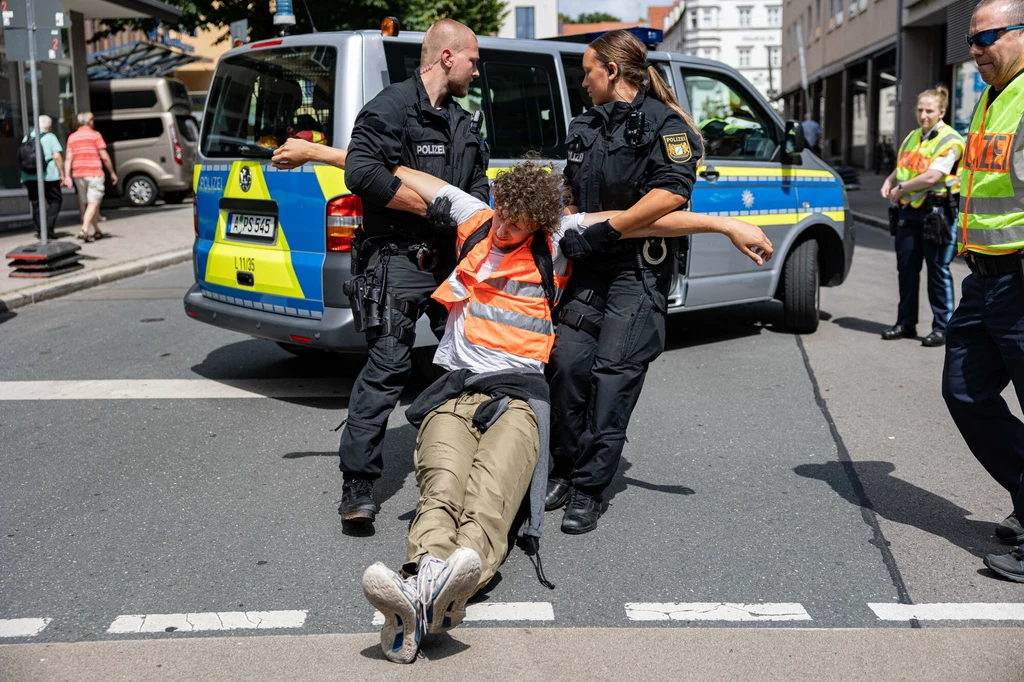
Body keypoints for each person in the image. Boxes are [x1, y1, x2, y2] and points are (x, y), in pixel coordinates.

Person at [349, 155, 771, 664]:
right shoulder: (473, 216)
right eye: (503, 215)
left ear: (541, 224)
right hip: (455, 393)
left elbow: (644, 220)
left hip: (521, 400)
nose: (505, 229)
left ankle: (418, 598)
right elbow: (409, 178)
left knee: (490, 497)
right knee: (441, 485)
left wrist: (726, 225)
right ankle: (428, 589)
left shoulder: (558, 238)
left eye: (518, 224)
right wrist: (318, 153)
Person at [275, 19, 490, 528]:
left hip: (451, 263)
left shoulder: (464, 122)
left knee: (469, 363)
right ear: (446, 58)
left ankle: (470, 470)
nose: (476, 72)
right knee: (388, 367)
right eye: (473, 61)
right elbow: (362, 173)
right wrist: (429, 210)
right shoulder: (391, 107)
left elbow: (476, 192)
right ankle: (358, 483)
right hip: (395, 260)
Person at [544, 30, 706, 534]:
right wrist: (568, 221)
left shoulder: (668, 126)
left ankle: (589, 488)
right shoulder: (584, 124)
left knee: (612, 380)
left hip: (637, 270)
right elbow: (571, 189)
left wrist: (605, 228)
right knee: (566, 365)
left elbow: (670, 196)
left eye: (588, 70)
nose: (583, 79)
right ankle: (565, 469)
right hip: (590, 266)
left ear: (612, 71)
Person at [938, 0, 1024, 582]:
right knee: (964, 390)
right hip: (984, 278)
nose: (974, 50)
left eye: (985, 37)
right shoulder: (992, 99)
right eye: (971, 39)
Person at [879, 86, 965, 347]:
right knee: (906, 269)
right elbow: (904, 165)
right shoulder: (913, 136)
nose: (923, 114)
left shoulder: (951, 140)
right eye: (920, 109)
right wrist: (890, 180)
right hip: (908, 210)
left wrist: (901, 188)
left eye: (929, 110)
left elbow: (932, 176)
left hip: (936, 212)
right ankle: (906, 323)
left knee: (938, 270)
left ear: (942, 111)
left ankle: (942, 327)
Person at [63, 112, 116, 242]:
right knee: (93, 204)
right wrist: (112, 172)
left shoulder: (72, 137)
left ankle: (97, 230)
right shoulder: (95, 135)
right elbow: (104, 156)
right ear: (90, 121)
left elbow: (68, 158)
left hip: (78, 174)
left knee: (89, 204)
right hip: (94, 173)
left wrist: (67, 175)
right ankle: (84, 229)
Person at [19, 115, 65, 240]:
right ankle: (48, 226)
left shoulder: (27, 137)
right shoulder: (50, 137)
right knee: (55, 200)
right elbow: (57, 156)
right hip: (48, 175)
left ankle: (40, 230)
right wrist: (62, 173)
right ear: (49, 126)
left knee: (36, 203)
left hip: (29, 176)